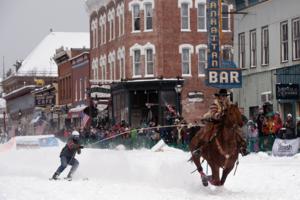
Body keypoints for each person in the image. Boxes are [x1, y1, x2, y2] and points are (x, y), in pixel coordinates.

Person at [202, 88, 249, 156]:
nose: (224, 97)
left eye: (225, 96)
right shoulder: (215, 104)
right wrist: (220, 115)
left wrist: (240, 117)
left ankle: (242, 147)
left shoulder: (229, 104)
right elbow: (213, 114)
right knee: (210, 131)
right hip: (215, 122)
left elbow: (233, 112)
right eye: (222, 95)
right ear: (219, 96)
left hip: (226, 123)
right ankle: (202, 147)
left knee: (237, 132)